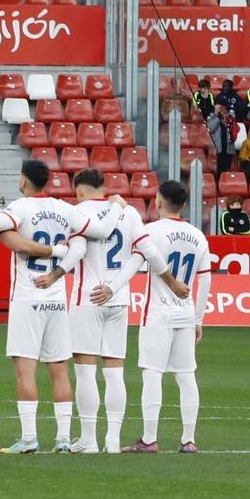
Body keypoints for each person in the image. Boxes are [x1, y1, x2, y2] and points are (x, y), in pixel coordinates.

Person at [1, 159, 108, 453]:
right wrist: (119, 208)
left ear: (24, 181)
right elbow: (97, 231)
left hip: (28, 295)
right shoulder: (65, 209)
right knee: (59, 369)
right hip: (57, 299)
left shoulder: (19, 208)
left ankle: (29, 437)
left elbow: (6, 235)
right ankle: (62, 437)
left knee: (25, 368)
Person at [64, 169, 165, 453]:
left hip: (88, 297)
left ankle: (88, 440)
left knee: (85, 371)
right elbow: (141, 252)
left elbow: (76, 252)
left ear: (79, 189)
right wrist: (115, 285)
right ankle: (112, 440)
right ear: (102, 187)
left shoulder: (79, 212)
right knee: (114, 371)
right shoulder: (129, 212)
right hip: (119, 298)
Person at [126, 181, 210, 454]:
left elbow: (133, 265)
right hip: (185, 314)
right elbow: (205, 280)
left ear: (158, 202)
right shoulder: (198, 235)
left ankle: (149, 439)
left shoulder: (150, 232)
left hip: (158, 313)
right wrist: (198, 319)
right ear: (183, 205)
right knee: (186, 376)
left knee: (152, 374)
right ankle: (189, 439)